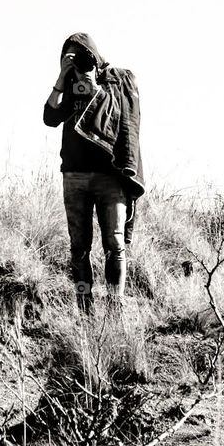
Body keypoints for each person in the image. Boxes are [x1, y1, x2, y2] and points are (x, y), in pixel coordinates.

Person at [43, 32, 145, 316]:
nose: (77, 60)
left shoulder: (115, 81)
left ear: (94, 54)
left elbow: (121, 115)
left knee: (114, 244)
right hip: (74, 175)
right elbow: (50, 117)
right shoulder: (69, 85)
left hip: (109, 176)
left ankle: (115, 308)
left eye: (81, 54)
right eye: (70, 55)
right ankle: (84, 308)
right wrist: (62, 79)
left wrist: (94, 87)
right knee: (78, 249)